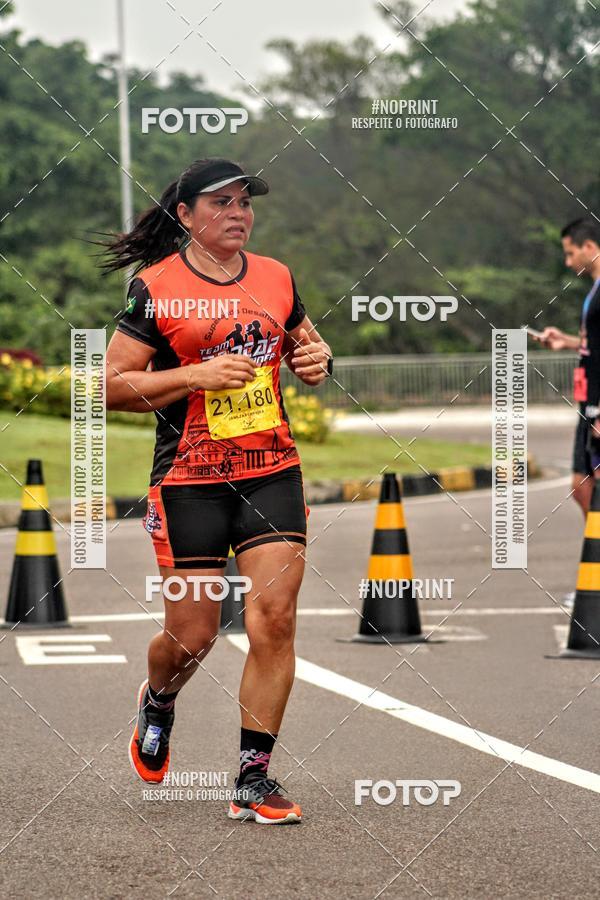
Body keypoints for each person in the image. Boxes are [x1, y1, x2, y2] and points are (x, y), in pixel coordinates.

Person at [103, 157, 333, 825]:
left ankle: (253, 779)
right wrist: (196, 374)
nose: (238, 213)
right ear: (186, 216)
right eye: (222, 203)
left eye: (244, 203)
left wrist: (316, 360)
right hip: (188, 483)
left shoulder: (277, 277)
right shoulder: (156, 289)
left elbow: (305, 349)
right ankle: (157, 699)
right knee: (193, 635)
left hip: (270, 470)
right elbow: (112, 386)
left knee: (276, 619)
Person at [536, 219, 600, 514]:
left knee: (591, 484)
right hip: (588, 401)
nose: (568, 261)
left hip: (598, 405)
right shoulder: (593, 292)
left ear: (590, 247)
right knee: (581, 485)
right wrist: (568, 342)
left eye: (571, 253)